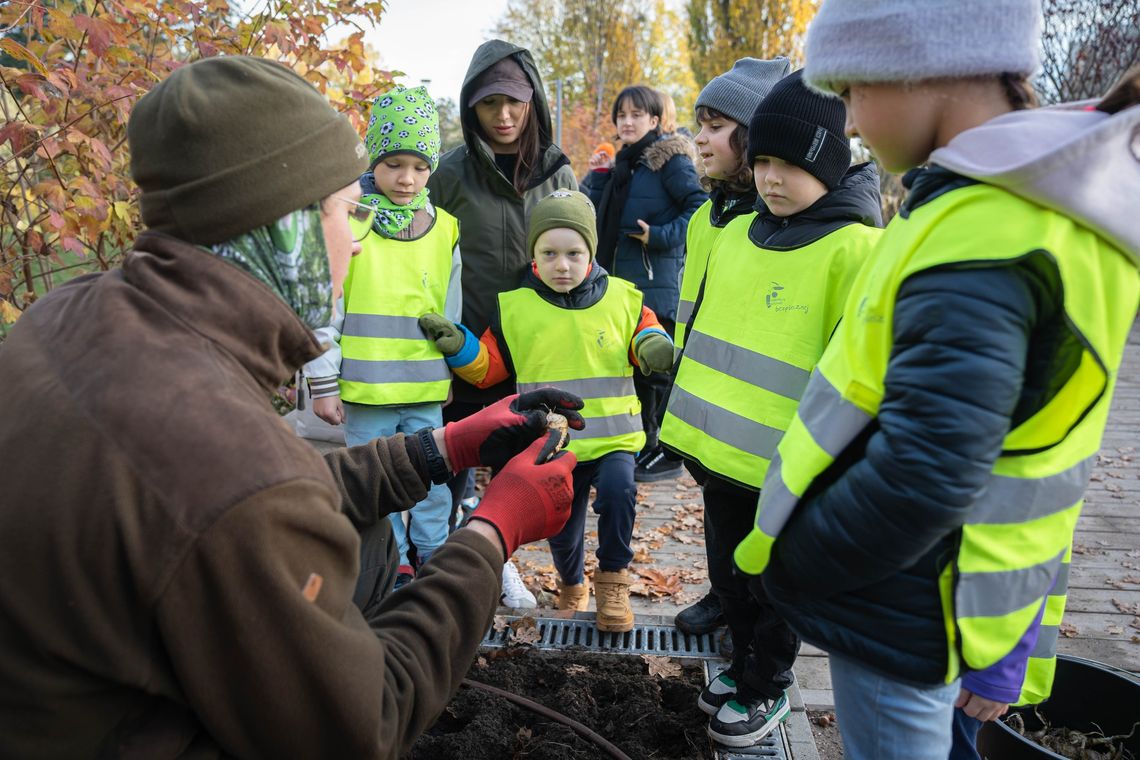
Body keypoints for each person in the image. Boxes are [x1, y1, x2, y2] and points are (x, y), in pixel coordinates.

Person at [0, 56, 587, 759]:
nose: (356, 236)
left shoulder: (72, 313)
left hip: (71, 691)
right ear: (285, 226)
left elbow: (260, 498)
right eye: (345, 210)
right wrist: (494, 531)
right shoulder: (220, 463)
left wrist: (447, 447)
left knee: (365, 545)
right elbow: (365, 722)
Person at [734, 1, 1140, 757]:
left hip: (905, 600)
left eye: (852, 92)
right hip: (954, 595)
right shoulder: (1034, 210)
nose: (849, 124)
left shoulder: (984, 235)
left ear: (922, 69)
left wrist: (797, 563)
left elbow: (927, 469)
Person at [661, 70, 883, 748]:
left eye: (790, 165)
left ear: (827, 165)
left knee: (776, 586)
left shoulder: (857, 250)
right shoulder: (738, 233)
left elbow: (863, 371)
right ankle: (740, 666)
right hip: (724, 457)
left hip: (794, 467)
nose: (771, 179)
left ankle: (767, 687)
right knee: (730, 576)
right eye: (762, 161)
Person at [421, 190, 676, 632]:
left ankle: (612, 582)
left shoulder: (624, 298)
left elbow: (644, 335)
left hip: (614, 439)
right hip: (553, 443)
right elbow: (487, 370)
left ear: (591, 253)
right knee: (562, 523)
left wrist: (652, 345)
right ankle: (571, 584)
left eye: (574, 253)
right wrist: (459, 346)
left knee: (620, 495)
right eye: (550, 253)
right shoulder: (516, 308)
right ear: (533, 254)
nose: (563, 264)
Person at [427, 40, 578, 604]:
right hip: (468, 351)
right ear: (472, 109)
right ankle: (447, 575)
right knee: (454, 466)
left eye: (515, 102)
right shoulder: (449, 175)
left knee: (527, 470)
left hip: (536, 351)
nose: (505, 116)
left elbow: (585, 259)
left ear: (533, 101)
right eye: (490, 104)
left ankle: (504, 563)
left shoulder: (559, 174)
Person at [303, 84, 458, 590]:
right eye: (394, 164)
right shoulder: (352, 224)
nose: (407, 179)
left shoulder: (446, 229)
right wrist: (323, 384)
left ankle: (434, 557)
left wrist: (450, 369)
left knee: (434, 485)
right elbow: (329, 307)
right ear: (375, 162)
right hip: (367, 393)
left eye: (419, 165)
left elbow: (449, 311)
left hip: (424, 392)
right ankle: (391, 568)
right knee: (374, 487)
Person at [670, 56, 792, 644]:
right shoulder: (707, 215)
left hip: (760, 418)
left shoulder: (776, 226)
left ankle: (750, 622)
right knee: (718, 518)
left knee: (754, 531)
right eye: (700, 122)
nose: (699, 137)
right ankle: (725, 596)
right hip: (704, 400)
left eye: (716, 125)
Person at [583, 85, 707, 483]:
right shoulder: (624, 165)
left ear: (655, 121)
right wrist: (598, 174)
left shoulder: (667, 161)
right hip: (619, 282)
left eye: (637, 115)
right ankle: (644, 444)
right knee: (634, 368)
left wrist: (659, 235)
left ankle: (666, 449)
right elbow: (598, 216)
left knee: (657, 369)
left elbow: (698, 209)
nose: (628, 122)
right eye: (622, 116)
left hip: (655, 280)